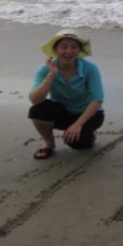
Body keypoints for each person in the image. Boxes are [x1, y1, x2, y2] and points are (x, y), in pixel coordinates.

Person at [28, 29, 105, 159]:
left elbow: (97, 99)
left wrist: (78, 124)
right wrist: (51, 74)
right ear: (55, 49)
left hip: (89, 114)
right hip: (63, 112)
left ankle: (89, 134)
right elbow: (35, 100)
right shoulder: (44, 70)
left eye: (74, 47)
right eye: (64, 47)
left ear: (79, 50)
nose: (69, 51)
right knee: (37, 110)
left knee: (78, 144)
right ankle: (49, 144)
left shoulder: (90, 68)